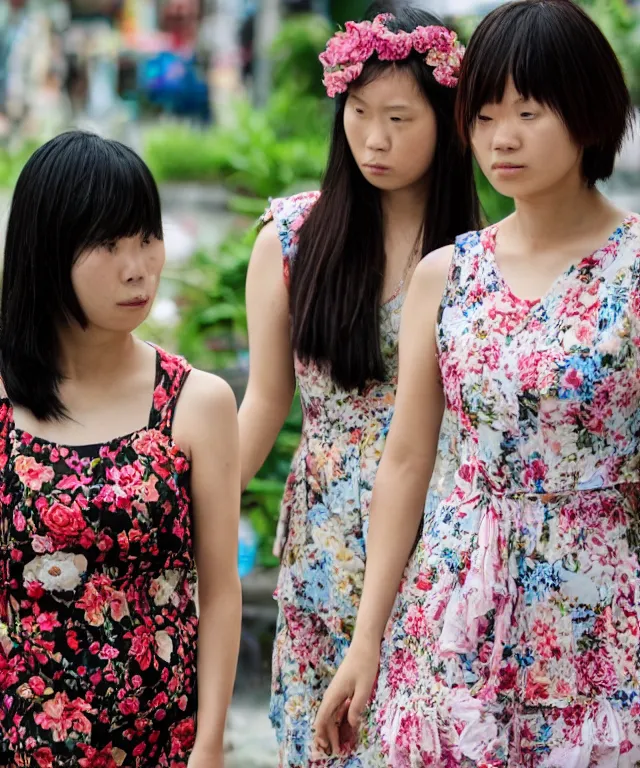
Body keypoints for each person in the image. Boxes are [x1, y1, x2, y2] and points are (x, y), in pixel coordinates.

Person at [314, 0, 640, 765]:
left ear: (589, 115)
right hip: (453, 606)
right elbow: (406, 462)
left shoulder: (633, 267)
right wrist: (366, 644)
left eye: (528, 111)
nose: (503, 137)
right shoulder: (449, 274)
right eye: (486, 114)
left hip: (594, 610)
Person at [239, 6, 479, 765]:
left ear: (448, 121)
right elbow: (265, 403)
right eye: (360, 112)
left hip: (436, 540)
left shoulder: (475, 262)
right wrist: (191, 515)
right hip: (323, 545)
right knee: (321, 744)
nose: (373, 137)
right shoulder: (291, 239)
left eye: (400, 117)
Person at [0, 131, 241, 768]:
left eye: (146, 238)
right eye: (108, 244)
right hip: (19, 740)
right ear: (48, 251)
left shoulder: (197, 402)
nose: (138, 267)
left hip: (160, 739)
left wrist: (210, 744)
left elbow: (218, 592)